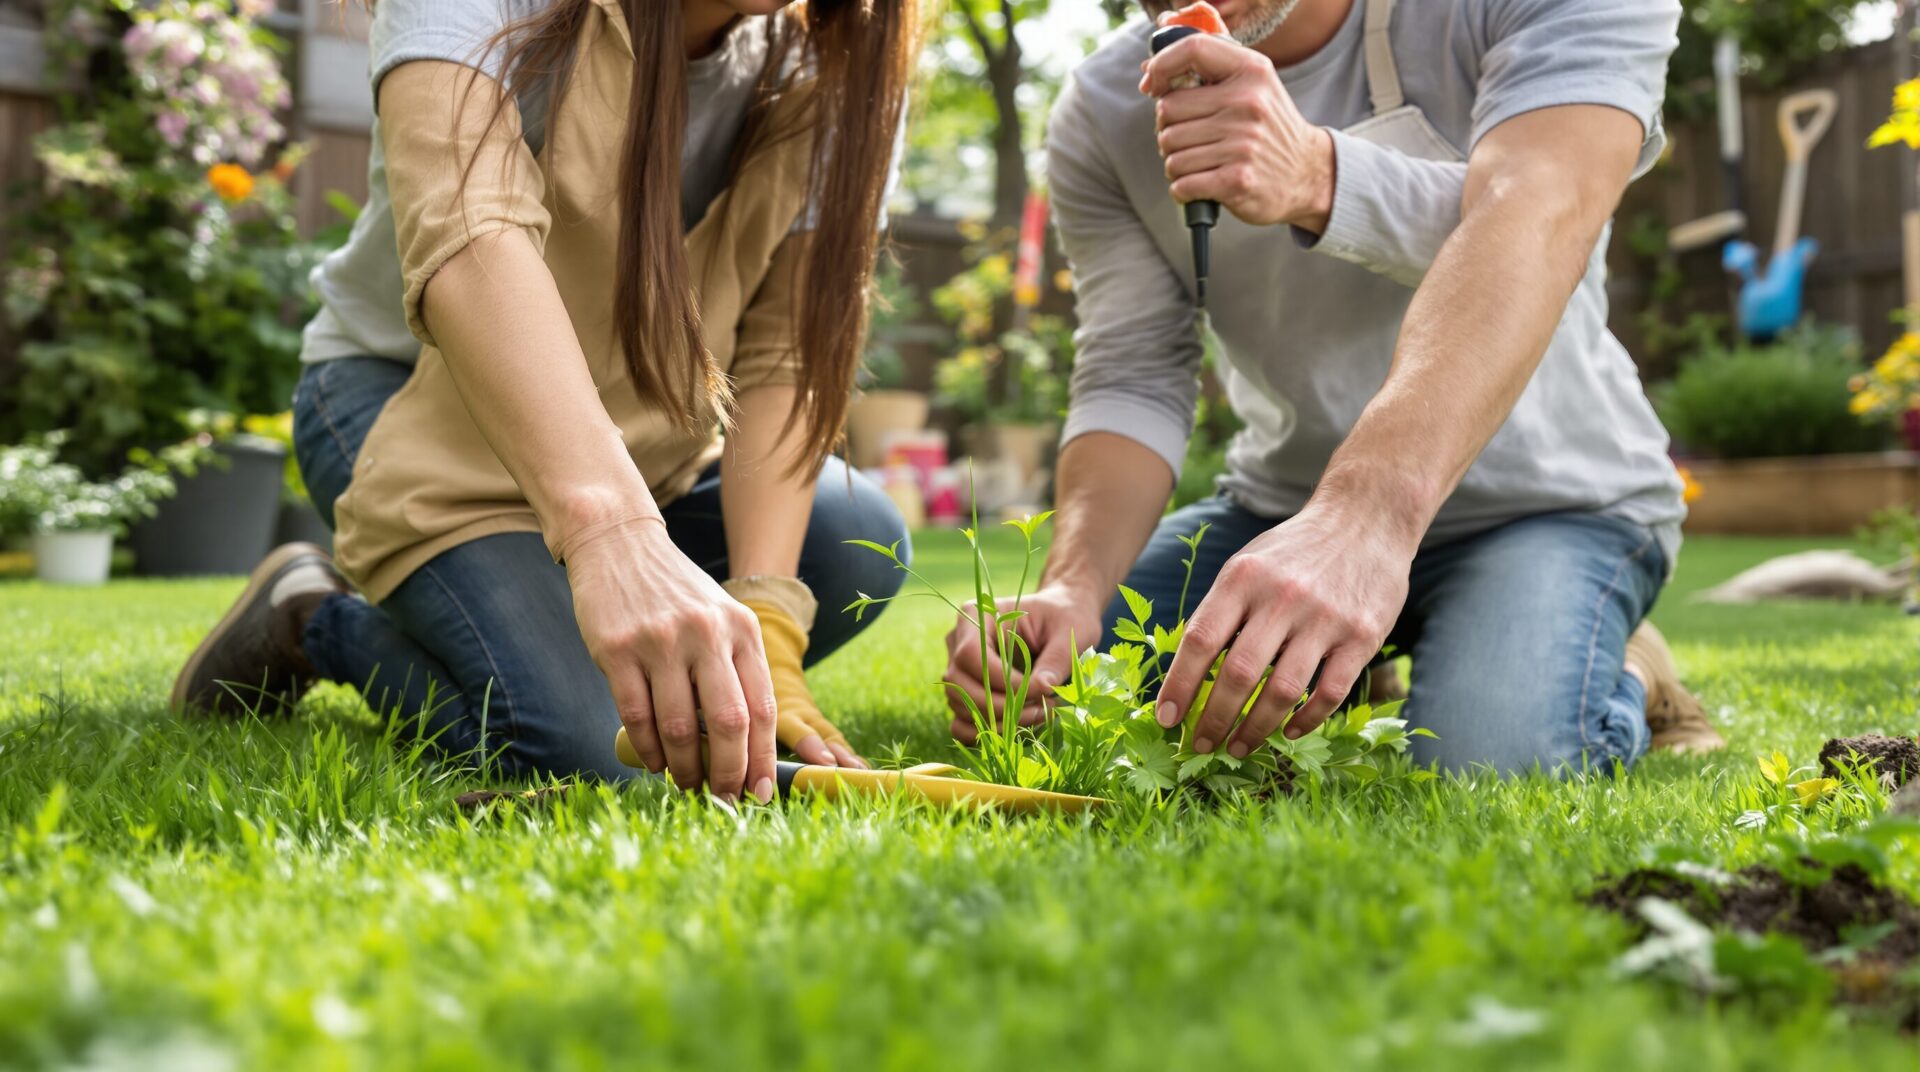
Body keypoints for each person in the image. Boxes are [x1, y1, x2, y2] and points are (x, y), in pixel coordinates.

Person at [943, 0, 1724, 774]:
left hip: (1549, 507)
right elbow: (1133, 369)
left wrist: (1320, 176)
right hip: (1283, 510)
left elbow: (1538, 216)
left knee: (1481, 761)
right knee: (1064, 707)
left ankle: (1628, 669)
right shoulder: (1107, 103)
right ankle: (1346, 667)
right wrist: (1075, 588)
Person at [172, 0, 920, 803]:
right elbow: (470, 232)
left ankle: (526, 626)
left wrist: (768, 613)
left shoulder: (837, 57)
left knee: (853, 542)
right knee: (590, 750)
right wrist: (614, 535)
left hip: (635, 435)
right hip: (397, 398)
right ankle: (316, 618)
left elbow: (784, 354)